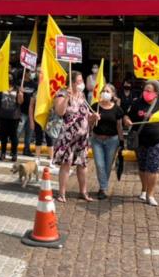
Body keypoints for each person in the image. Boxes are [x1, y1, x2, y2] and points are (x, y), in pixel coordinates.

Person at [124, 79, 159, 206]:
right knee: (142, 167)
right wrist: (127, 120)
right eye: (144, 90)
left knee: (153, 168)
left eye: (149, 91)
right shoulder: (137, 103)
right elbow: (127, 116)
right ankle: (144, 190)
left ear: (156, 93)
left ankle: (150, 195)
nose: (146, 93)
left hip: (157, 141)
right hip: (141, 141)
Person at [52, 72, 93, 203]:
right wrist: (67, 97)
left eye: (81, 81)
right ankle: (61, 193)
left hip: (83, 137)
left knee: (83, 164)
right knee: (66, 164)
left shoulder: (82, 96)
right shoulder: (61, 94)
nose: (81, 84)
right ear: (71, 82)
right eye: (78, 81)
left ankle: (83, 192)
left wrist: (93, 118)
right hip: (67, 136)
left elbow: (85, 115)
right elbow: (60, 112)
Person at [89, 83, 124, 200]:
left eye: (108, 91)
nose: (105, 93)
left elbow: (119, 126)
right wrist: (93, 118)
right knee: (99, 165)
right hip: (96, 139)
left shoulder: (117, 109)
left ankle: (102, 187)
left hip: (112, 141)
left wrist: (122, 141)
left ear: (113, 94)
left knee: (108, 165)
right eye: (103, 90)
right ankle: (103, 188)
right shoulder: (95, 106)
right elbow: (88, 123)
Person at [0, 77, 24, 162]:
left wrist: (21, 95)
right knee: (3, 136)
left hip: (14, 116)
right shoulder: (1, 88)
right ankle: (3, 153)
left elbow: (20, 102)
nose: (9, 79)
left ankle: (14, 153)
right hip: (3, 115)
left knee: (13, 136)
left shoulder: (17, 89)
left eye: (11, 77)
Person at [18, 71, 36, 156]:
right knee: (18, 131)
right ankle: (14, 149)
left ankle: (27, 149)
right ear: (25, 73)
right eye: (30, 72)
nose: (31, 74)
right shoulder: (20, 83)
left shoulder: (34, 84)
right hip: (21, 111)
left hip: (31, 112)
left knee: (29, 132)